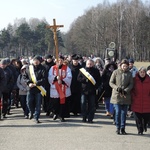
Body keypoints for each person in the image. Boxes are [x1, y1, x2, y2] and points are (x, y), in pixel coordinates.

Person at [109, 59, 133, 134]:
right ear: (121, 65)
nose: (125, 67)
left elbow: (131, 84)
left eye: (126, 66)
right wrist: (117, 88)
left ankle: (123, 128)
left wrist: (126, 90)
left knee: (124, 113)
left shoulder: (129, 74)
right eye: (123, 66)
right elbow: (111, 82)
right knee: (118, 112)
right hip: (117, 95)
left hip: (125, 96)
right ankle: (118, 127)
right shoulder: (115, 72)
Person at [48, 55, 72, 122]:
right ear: (56, 61)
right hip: (55, 88)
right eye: (58, 60)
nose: (60, 62)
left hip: (63, 87)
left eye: (61, 60)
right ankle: (55, 113)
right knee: (55, 102)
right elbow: (50, 76)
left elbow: (69, 77)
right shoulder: (52, 68)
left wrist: (62, 81)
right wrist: (55, 78)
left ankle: (62, 115)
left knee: (62, 102)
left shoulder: (67, 68)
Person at [23, 55, 46, 123]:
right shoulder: (28, 68)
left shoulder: (42, 68)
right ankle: (31, 111)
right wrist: (29, 83)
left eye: (37, 60)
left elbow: (44, 78)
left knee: (38, 104)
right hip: (30, 88)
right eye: (35, 60)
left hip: (38, 89)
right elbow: (24, 77)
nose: (36, 62)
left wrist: (36, 84)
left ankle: (36, 117)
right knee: (29, 102)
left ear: (39, 61)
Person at [77, 59, 101, 123]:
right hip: (84, 90)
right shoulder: (82, 71)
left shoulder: (96, 71)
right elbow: (78, 79)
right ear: (86, 64)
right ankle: (84, 117)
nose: (89, 65)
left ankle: (90, 118)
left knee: (92, 105)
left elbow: (99, 80)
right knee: (83, 104)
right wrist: (85, 80)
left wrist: (96, 87)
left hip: (92, 91)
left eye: (91, 64)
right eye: (88, 64)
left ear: (93, 64)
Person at [131, 67, 150, 135]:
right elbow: (131, 89)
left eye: (143, 72)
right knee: (137, 118)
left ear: (145, 73)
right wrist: (133, 96)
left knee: (146, 117)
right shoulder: (134, 80)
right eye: (141, 72)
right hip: (136, 101)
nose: (142, 74)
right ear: (138, 72)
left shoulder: (149, 80)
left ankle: (144, 125)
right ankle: (140, 130)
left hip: (147, 101)